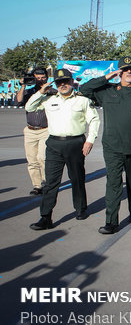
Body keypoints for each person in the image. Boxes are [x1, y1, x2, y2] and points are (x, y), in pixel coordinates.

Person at [80, 56, 131, 234]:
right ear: (119, 72)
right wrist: (106, 77)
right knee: (113, 184)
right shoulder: (107, 91)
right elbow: (84, 89)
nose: (129, 72)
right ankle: (111, 222)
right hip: (113, 146)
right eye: (125, 69)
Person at [25, 68, 100, 230]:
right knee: (51, 182)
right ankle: (45, 217)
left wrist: (90, 140)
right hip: (54, 144)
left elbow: (94, 120)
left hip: (75, 143)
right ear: (56, 84)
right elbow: (29, 107)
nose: (63, 84)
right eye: (59, 82)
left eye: (66, 81)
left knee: (77, 179)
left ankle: (80, 209)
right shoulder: (48, 99)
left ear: (72, 81)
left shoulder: (82, 100)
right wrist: (41, 91)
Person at [15, 67, 54, 195]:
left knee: (42, 157)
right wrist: (23, 85)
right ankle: (37, 186)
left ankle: (46, 182)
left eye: (43, 78)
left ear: (47, 78)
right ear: (33, 78)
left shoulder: (52, 92)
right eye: (37, 78)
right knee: (32, 160)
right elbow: (18, 101)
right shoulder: (29, 92)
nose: (40, 80)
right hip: (30, 130)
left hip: (45, 129)